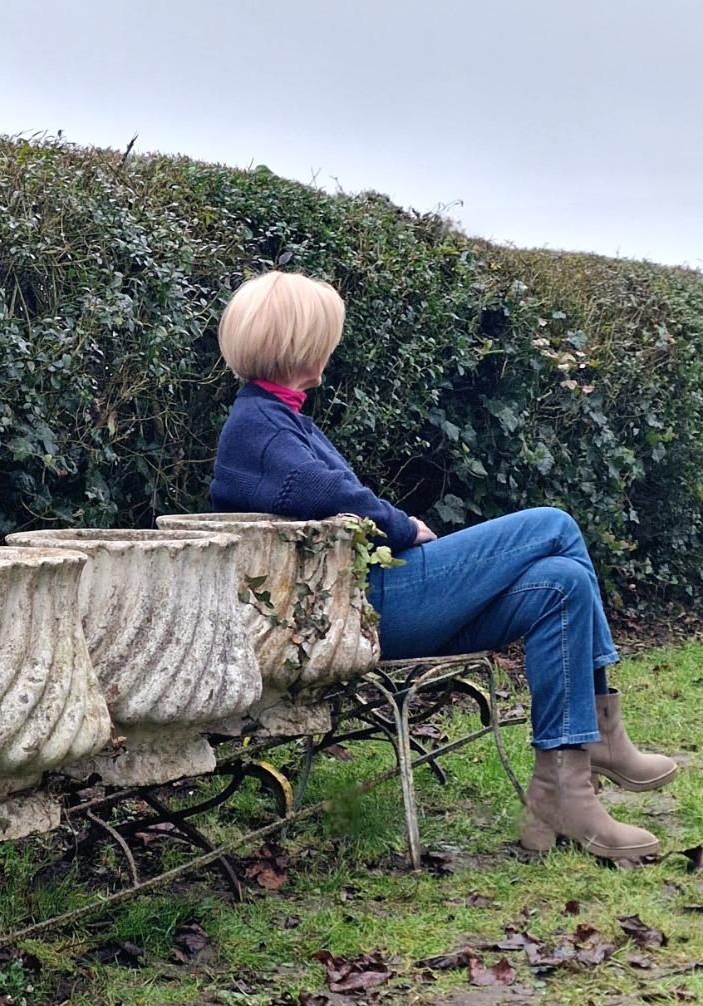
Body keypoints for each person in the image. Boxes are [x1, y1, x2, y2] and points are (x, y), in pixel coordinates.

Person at [210, 270, 676, 860]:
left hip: (368, 601)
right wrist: (405, 526)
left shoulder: (281, 419)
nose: (332, 345)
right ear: (303, 343)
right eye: (327, 335)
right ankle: (602, 734)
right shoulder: (259, 426)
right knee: (554, 526)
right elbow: (325, 494)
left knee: (564, 584)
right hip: (363, 611)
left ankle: (563, 788)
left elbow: (322, 494)